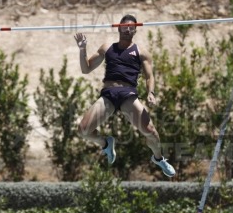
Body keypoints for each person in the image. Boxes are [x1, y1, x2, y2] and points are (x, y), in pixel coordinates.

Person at [73, 14, 175, 177]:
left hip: (128, 95)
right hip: (109, 95)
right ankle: (105, 143)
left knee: (151, 132)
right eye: (125, 26)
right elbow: (86, 69)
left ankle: (159, 158)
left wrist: (151, 92)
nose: (128, 29)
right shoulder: (107, 48)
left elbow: (149, 76)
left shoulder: (142, 53)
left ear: (135, 30)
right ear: (119, 27)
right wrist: (82, 49)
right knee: (83, 130)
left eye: (131, 27)